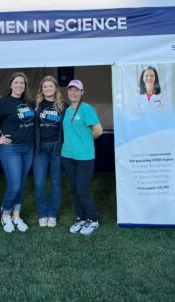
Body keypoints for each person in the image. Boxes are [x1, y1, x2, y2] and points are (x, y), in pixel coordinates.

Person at [0, 72, 34, 233]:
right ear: (11, 85)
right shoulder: (3, 102)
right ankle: (6, 215)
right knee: (15, 185)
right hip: (11, 149)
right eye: (16, 82)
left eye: (22, 83)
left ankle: (16, 216)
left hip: (28, 148)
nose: (20, 85)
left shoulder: (28, 102)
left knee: (21, 184)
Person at [61, 80, 103, 236]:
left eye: (76, 90)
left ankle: (93, 220)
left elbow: (98, 131)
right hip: (67, 156)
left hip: (84, 157)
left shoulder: (87, 109)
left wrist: (84, 142)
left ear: (82, 92)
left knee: (82, 189)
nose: (73, 92)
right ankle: (81, 218)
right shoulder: (66, 110)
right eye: (70, 90)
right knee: (73, 189)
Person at [33, 76, 67, 228]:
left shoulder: (63, 106)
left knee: (55, 182)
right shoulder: (35, 105)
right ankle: (42, 213)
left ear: (55, 89)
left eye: (50, 86)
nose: (47, 89)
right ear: (41, 89)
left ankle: (52, 214)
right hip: (40, 149)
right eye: (45, 87)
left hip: (56, 148)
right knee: (39, 183)